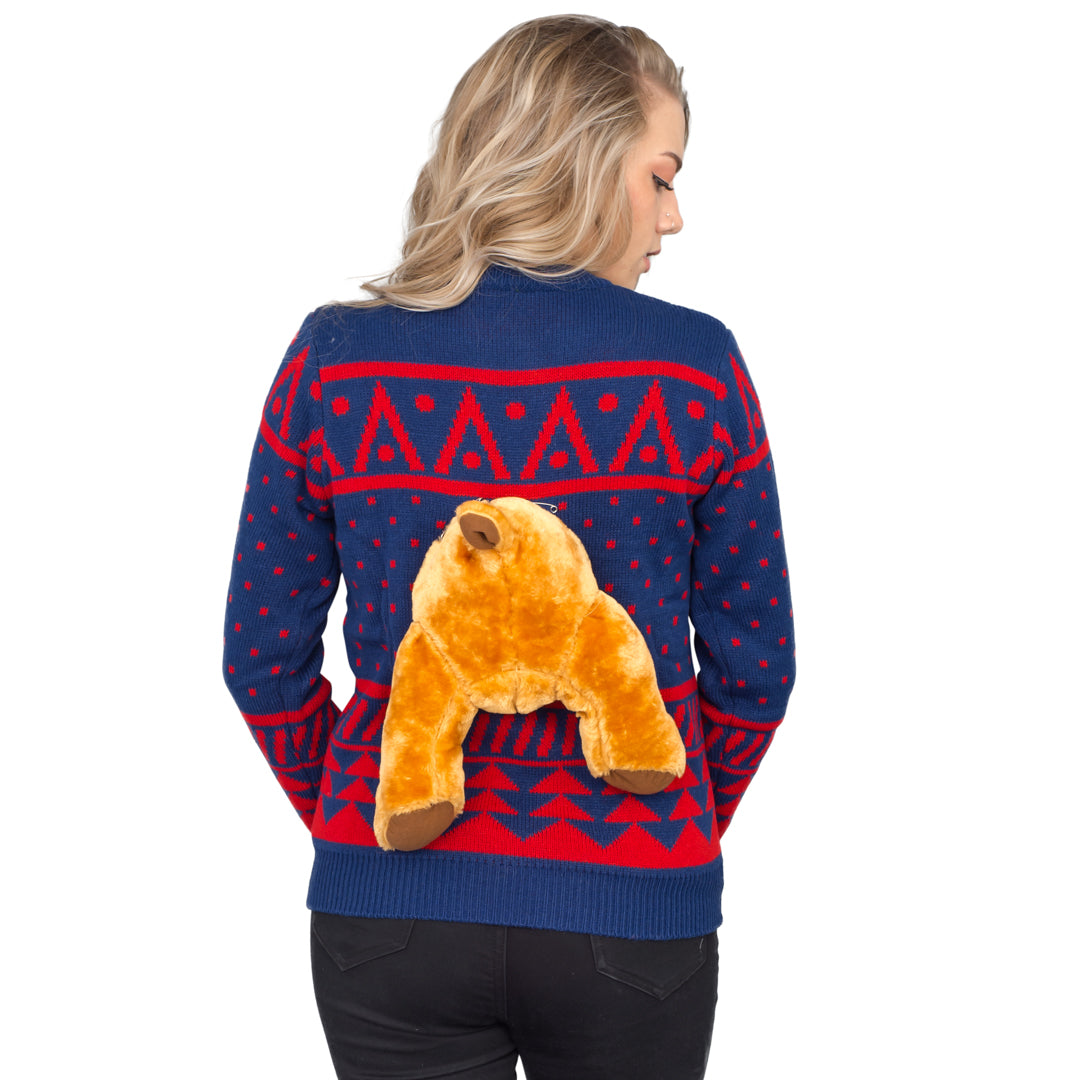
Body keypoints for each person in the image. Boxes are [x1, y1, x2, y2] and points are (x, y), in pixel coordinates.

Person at [223, 15, 795, 1080]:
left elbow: (259, 656)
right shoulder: (695, 369)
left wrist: (355, 805)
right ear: (580, 161)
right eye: (661, 177)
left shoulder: (335, 361)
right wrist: (668, 812)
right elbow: (759, 665)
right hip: (634, 913)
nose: (674, 217)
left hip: (388, 917)